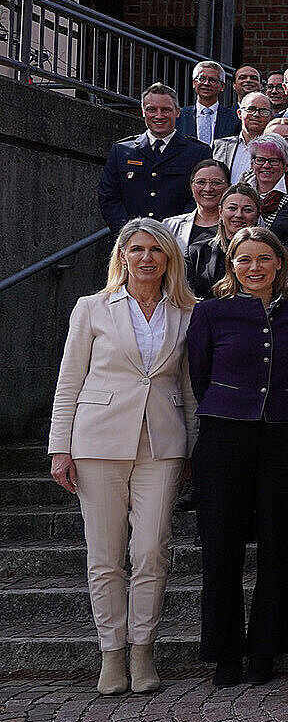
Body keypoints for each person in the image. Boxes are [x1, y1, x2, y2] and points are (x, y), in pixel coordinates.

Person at [49, 219, 198, 695]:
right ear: (122, 255)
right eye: (137, 249)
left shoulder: (188, 312)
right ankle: (111, 654)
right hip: (97, 442)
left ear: (170, 258)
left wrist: (193, 446)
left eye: (156, 250)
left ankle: (142, 650)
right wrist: (60, 447)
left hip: (162, 444)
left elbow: (188, 388)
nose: (146, 258)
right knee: (105, 555)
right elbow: (69, 380)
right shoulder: (91, 307)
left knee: (151, 549)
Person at [188, 227, 288, 687]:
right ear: (232, 265)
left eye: (264, 258)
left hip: (283, 435)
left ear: (279, 263)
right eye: (244, 259)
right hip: (224, 436)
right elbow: (199, 374)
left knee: (278, 546)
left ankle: (265, 649)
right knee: (221, 546)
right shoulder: (210, 312)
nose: (254, 267)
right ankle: (225, 652)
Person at [101, 83, 209, 230]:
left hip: (177, 237)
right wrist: (131, 232)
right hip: (131, 237)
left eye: (166, 110)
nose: (159, 116)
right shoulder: (121, 150)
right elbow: (109, 197)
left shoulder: (198, 152)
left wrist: (176, 231)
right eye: (152, 109)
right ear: (143, 112)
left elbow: (199, 198)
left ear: (178, 112)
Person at [186, 185, 263, 299]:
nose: (238, 215)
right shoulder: (197, 252)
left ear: (257, 215)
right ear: (220, 212)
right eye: (232, 208)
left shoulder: (269, 253)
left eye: (247, 210)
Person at [164, 159, 232, 248]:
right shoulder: (171, 226)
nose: (208, 189)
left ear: (228, 187)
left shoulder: (237, 225)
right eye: (201, 182)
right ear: (191, 186)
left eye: (216, 183)